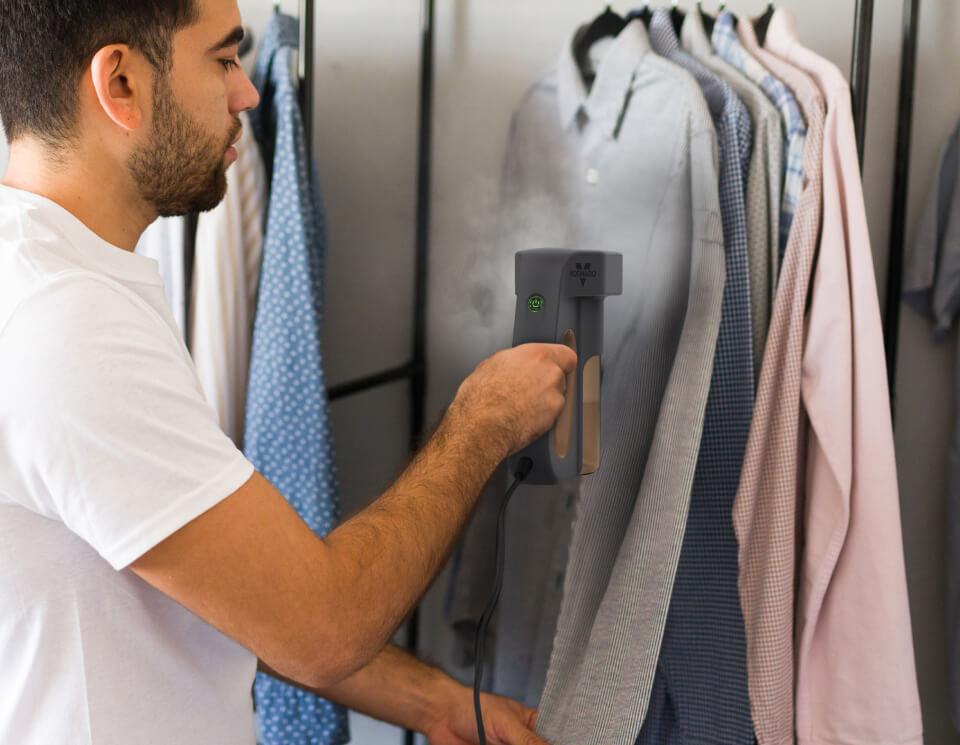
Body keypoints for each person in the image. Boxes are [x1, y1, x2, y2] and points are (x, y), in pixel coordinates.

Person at [0, 0, 576, 743]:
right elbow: (321, 624)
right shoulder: (67, 323)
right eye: (223, 59)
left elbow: (232, 585)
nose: (249, 93)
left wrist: (434, 704)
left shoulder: (51, 279)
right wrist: (483, 419)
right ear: (121, 84)